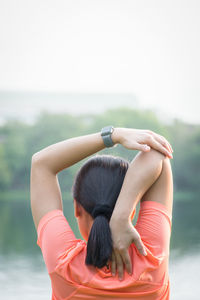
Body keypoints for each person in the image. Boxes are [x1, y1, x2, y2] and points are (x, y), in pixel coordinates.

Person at [30, 126, 173, 299]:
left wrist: (112, 136)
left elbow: (41, 163)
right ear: (132, 211)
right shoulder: (151, 258)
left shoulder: (64, 265)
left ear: (77, 208)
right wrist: (121, 216)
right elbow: (157, 152)